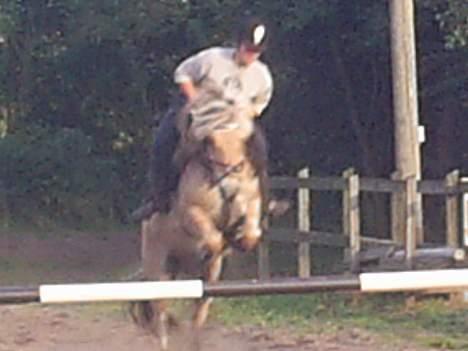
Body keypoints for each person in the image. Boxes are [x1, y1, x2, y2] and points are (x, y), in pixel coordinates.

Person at [133, 17, 273, 220]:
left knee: (260, 149)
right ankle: (158, 197)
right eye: (248, 49)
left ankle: (265, 202)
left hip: (234, 122)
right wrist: (195, 100)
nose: (251, 55)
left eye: (256, 51)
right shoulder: (212, 59)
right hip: (197, 111)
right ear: (238, 44)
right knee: (163, 142)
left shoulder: (262, 75)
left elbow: (260, 103)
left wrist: (245, 115)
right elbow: (182, 73)